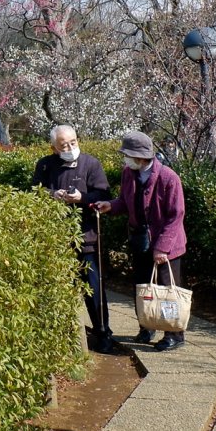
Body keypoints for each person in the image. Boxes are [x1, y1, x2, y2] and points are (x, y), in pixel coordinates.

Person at [94, 130, 188, 352]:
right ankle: (147, 326)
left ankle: (174, 334)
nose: (125, 159)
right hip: (140, 239)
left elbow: (176, 216)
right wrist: (111, 206)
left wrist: (162, 247)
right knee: (143, 287)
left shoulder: (168, 178)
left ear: (140, 156)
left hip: (167, 244)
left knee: (167, 290)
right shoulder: (129, 173)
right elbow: (126, 202)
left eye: (127, 154)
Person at [33, 124, 114, 353]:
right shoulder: (46, 164)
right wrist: (52, 194)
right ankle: (65, 335)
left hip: (86, 237)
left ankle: (102, 331)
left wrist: (82, 198)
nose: (69, 147)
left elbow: (104, 194)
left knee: (93, 288)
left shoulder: (91, 163)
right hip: (55, 238)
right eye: (64, 145)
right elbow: (33, 191)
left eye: (73, 142)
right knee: (60, 290)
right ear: (54, 148)